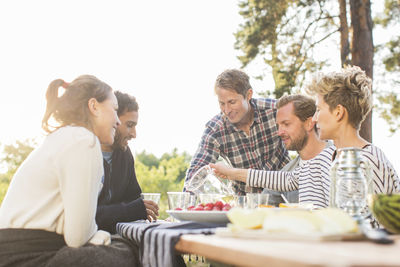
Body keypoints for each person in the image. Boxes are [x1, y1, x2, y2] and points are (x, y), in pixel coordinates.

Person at [0, 76, 139, 266]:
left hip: (13, 251)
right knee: (135, 251)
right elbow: (78, 237)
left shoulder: (66, 137)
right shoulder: (84, 141)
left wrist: (96, 235)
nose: (117, 121)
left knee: (124, 247)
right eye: (114, 110)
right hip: (27, 256)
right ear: (94, 106)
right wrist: (99, 235)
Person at [211, 94, 336, 208]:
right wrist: (230, 173)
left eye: (286, 124)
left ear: (309, 123)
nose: (279, 132)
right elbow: (270, 190)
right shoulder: (293, 172)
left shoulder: (335, 158)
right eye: (278, 126)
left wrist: (231, 172)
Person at [185, 69, 290, 195]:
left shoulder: (275, 111)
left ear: (249, 95)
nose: (227, 110)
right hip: (244, 202)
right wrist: (185, 204)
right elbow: (197, 170)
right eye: (221, 103)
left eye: (232, 102)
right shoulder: (215, 129)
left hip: (284, 193)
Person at [306, 66, 399, 196]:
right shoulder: (329, 156)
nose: (314, 119)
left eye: (319, 110)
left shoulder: (370, 162)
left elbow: (384, 215)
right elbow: (290, 179)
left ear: (338, 112)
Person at [96, 91, 159, 234]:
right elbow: (88, 216)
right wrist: (131, 210)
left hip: (116, 235)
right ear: (112, 119)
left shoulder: (124, 154)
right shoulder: (85, 153)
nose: (134, 134)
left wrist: (144, 209)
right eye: (130, 125)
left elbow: (133, 201)